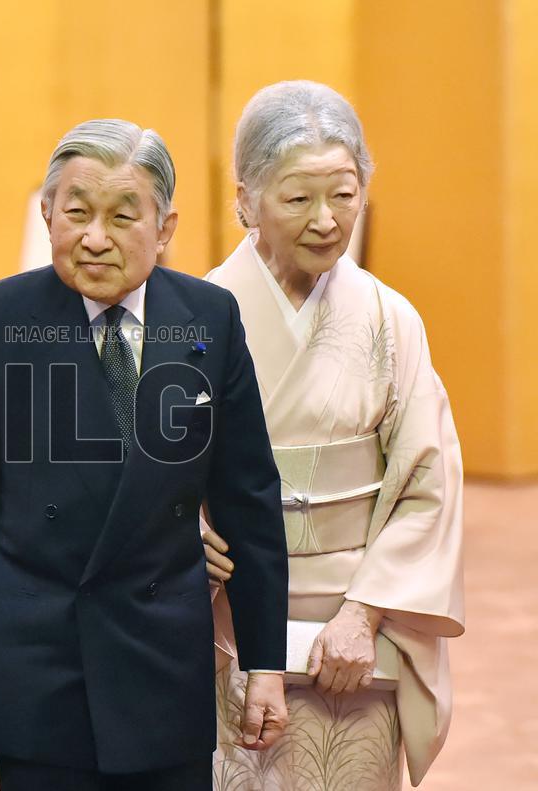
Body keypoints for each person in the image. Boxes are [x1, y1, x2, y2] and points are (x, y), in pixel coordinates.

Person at [0, 119, 290, 791]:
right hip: (39, 664)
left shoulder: (210, 319)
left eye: (123, 216)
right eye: (76, 212)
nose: (94, 237)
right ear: (47, 216)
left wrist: (265, 661)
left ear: (165, 227)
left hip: (163, 661)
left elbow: (249, 499)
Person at [203, 81, 464, 790]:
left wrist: (365, 610)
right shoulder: (194, 316)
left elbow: (427, 483)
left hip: (356, 636)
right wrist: (179, 526)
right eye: (297, 198)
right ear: (244, 200)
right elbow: (151, 466)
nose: (326, 220)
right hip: (227, 627)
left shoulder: (389, 319)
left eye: (344, 195)